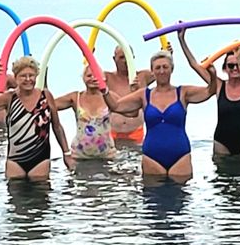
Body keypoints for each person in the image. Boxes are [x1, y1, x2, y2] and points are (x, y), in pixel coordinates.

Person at [103, 31, 218, 180]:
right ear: (153, 71)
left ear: (172, 69)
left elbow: (210, 91)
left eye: (165, 67)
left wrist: (213, 76)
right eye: (158, 68)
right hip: (152, 156)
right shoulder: (144, 95)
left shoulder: (183, 92)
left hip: (180, 155)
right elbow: (116, 106)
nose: (162, 71)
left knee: (179, 199)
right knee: (153, 199)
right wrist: (103, 90)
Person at [0, 57, 73, 180]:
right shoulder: (9, 97)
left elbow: (57, 126)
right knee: (15, 193)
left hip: (40, 158)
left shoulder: (46, 96)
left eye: (31, 75)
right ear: (15, 77)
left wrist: (66, 153)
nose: (28, 79)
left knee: (40, 194)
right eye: (23, 76)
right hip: (15, 160)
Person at [52, 63, 140, 161]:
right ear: (83, 78)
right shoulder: (75, 97)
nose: (93, 78)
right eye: (89, 75)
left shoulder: (109, 97)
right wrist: (43, 86)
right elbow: (49, 106)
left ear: (103, 78)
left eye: (96, 75)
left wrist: (135, 92)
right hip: (79, 155)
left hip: (107, 155)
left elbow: (132, 113)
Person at [104, 46, 149, 144]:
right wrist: (89, 55)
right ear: (114, 59)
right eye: (121, 57)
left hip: (136, 132)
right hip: (113, 133)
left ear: (132, 57)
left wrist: (167, 52)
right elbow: (91, 74)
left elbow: (163, 70)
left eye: (127, 57)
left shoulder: (143, 76)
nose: (125, 61)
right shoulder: (108, 77)